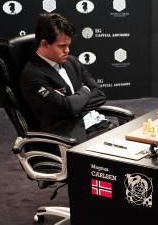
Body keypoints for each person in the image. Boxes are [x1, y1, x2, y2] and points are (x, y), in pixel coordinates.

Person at [20, 13, 108, 142]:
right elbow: (67, 108)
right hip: (67, 138)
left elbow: (100, 94)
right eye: (62, 46)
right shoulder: (32, 75)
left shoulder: (72, 61)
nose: (67, 50)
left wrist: (73, 104)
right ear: (44, 44)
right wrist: (85, 90)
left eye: (68, 45)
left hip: (94, 124)